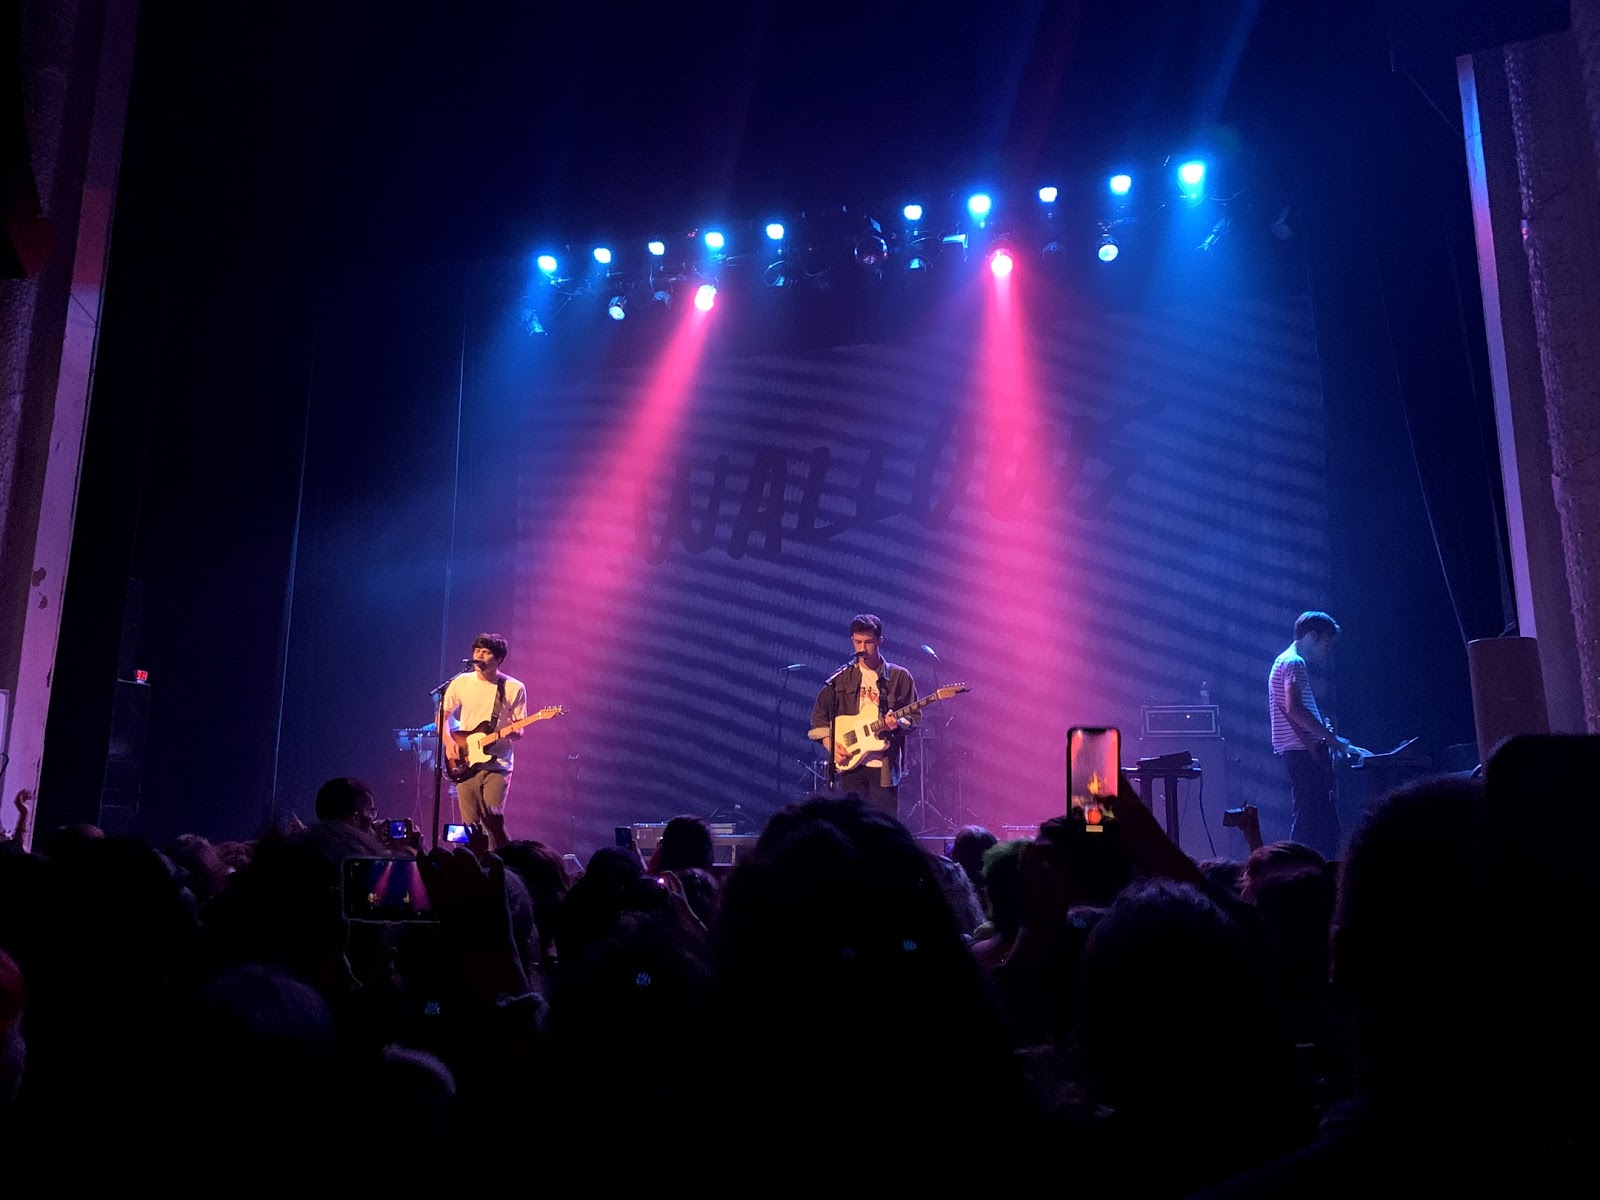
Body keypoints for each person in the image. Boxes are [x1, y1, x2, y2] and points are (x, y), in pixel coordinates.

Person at [808, 613, 917, 819]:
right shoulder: (841, 678)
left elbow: (913, 717)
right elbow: (818, 716)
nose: (862, 648)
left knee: (883, 828)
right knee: (853, 828)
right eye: (858, 642)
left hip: (884, 766)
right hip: (851, 762)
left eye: (868, 642)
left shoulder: (899, 677)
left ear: (879, 641)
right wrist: (831, 745)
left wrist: (898, 723)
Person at [1267, 611, 1352, 859]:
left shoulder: (1282, 660)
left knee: (1319, 821)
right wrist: (1331, 738)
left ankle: (1311, 871)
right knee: (1311, 822)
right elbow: (1294, 707)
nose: (1328, 649)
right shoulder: (1295, 663)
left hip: (1297, 750)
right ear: (1311, 636)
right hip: (1303, 752)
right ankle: (1293, 871)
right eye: (1326, 642)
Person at [440, 633, 528, 849]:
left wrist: (514, 732)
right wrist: (449, 742)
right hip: (465, 761)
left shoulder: (513, 687)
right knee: (469, 825)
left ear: (498, 659)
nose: (479, 655)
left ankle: (495, 870)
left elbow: (520, 729)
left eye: (486, 652)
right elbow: (442, 715)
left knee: (491, 822)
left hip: (497, 764)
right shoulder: (461, 682)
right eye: (477, 651)